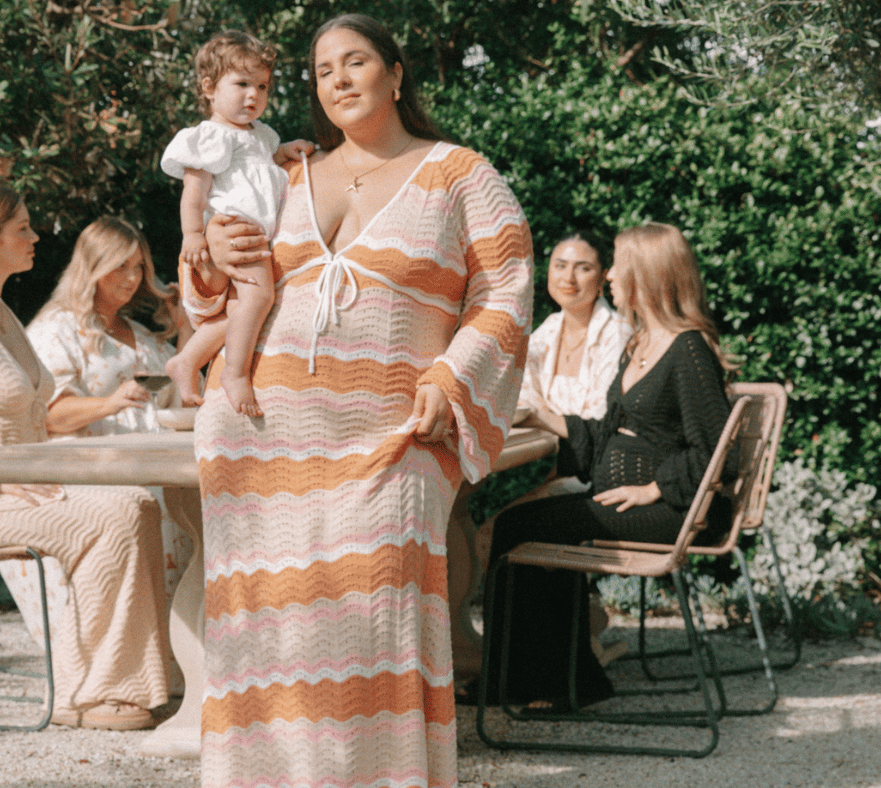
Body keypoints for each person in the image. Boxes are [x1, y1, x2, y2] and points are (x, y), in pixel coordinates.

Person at [186, 14, 533, 788]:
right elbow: (217, 301)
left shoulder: (458, 173)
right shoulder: (284, 174)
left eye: (356, 62)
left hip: (387, 439)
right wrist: (207, 261)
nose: (337, 79)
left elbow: (506, 290)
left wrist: (449, 380)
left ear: (396, 74)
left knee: (374, 625)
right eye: (321, 70)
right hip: (256, 434)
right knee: (263, 632)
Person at [0, 182, 169, 731]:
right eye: (23, 228)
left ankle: (126, 681)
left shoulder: (0, 317)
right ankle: (88, 695)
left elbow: (42, 413)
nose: (36, 236)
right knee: (112, 517)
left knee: (133, 503)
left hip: (4, 490)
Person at [480, 221, 736, 710]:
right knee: (527, 526)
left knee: (516, 527)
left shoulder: (688, 349)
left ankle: (536, 682)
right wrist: (542, 417)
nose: (612, 276)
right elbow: (603, 434)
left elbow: (717, 449)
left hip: (670, 513)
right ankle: (562, 680)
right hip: (621, 497)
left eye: (619, 265)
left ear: (648, 275)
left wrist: (654, 489)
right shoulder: (642, 344)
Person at [0, 217, 196, 695]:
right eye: (118, 267)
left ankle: (182, 664)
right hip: (84, 477)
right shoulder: (58, 330)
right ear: (91, 267)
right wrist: (111, 402)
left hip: (147, 470)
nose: (130, 278)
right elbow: (48, 417)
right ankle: (127, 670)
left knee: (200, 510)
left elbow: (184, 405)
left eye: (138, 266)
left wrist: (185, 331)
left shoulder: (139, 335)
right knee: (160, 510)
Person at [454, 231, 633, 678]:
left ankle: (521, 663)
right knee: (481, 521)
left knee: (491, 532)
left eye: (583, 267)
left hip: (600, 475)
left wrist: (540, 414)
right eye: (559, 265)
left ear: (603, 275)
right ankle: (570, 636)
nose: (568, 277)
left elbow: (597, 421)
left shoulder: (616, 334)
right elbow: (518, 393)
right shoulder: (550, 331)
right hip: (563, 466)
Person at [161, 30, 314, 416]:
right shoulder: (210, 136)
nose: (254, 95)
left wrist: (284, 151)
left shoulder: (261, 136)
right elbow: (193, 194)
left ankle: (186, 360)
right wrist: (193, 234)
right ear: (210, 88)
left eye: (261, 86)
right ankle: (234, 372)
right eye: (242, 84)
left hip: (252, 234)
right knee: (260, 298)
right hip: (236, 231)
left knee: (238, 311)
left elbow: (263, 165)